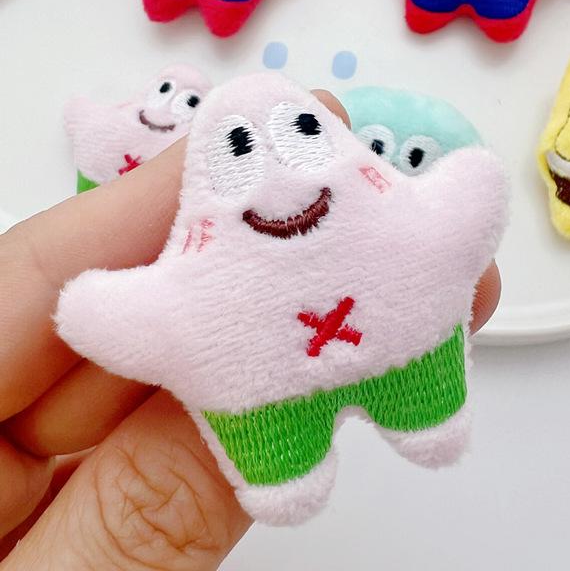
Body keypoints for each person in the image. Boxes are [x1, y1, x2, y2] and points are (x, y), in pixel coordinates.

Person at [0, 91, 500, 569]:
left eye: (300, 131)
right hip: (274, 412)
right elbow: (471, 188)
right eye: (239, 147)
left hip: (379, 368)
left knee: (356, 452)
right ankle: (311, 460)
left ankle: (400, 424)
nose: (280, 177)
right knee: (291, 479)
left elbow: (464, 205)